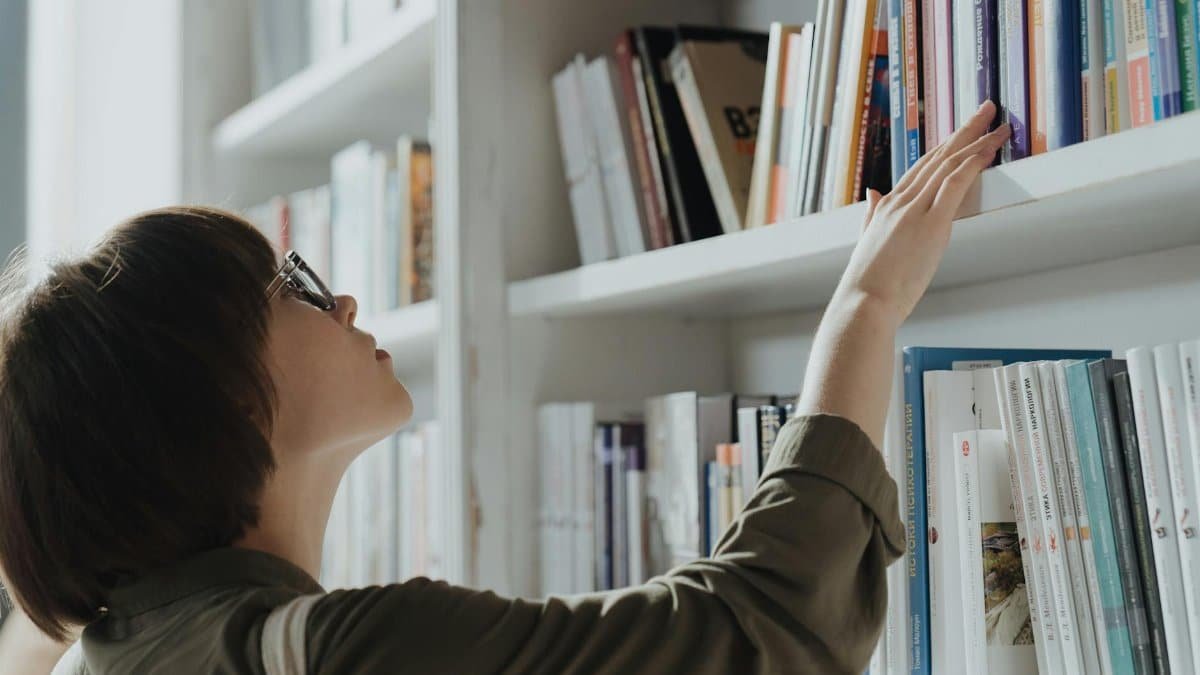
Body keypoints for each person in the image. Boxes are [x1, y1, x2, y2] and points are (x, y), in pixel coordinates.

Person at [0, 102, 1009, 674]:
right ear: (209, 392)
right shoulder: (351, 654)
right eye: (293, 288)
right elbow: (753, 638)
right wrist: (867, 304)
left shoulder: (108, 655)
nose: (346, 301)